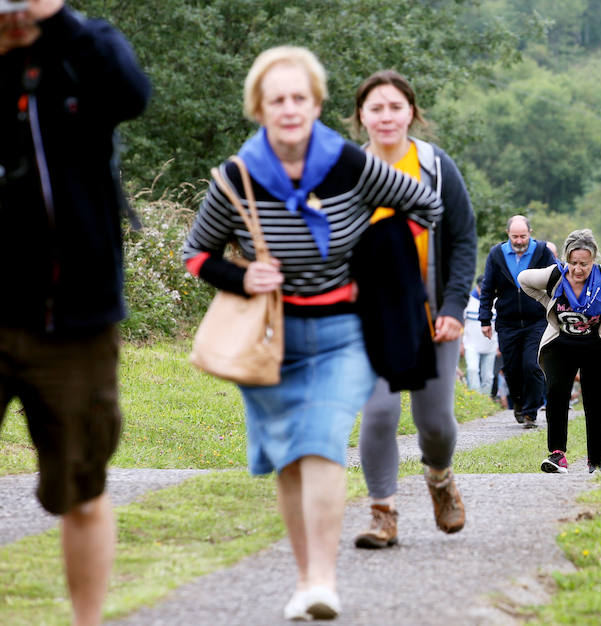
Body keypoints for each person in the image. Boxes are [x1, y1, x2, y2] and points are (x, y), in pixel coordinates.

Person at [182, 48, 442, 621]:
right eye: (277, 99)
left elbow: (425, 204)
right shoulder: (236, 177)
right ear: (259, 109)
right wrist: (243, 275)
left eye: (300, 97)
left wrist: (375, 256)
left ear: (317, 104)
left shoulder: (348, 164)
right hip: (271, 338)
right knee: (291, 459)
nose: (290, 108)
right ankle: (305, 580)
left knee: (322, 441)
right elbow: (196, 254)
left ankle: (323, 581)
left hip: (343, 332)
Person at [0, 2, 151, 624]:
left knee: (82, 489)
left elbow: (132, 94)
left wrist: (56, 19)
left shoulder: (82, 45)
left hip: (73, 320)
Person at [348, 69, 476, 550]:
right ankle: (382, 515)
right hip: (372, 318)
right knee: (379, 413)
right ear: (361, 116)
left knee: (435, 423)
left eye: (395, 107)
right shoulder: (347, 172)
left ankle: (439, 478)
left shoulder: (436, 167)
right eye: (376, 108)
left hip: (431, 315)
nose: (386, 116)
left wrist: (454, 307)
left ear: (411, 113)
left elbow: (463, 238)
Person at [519, 230, 601, 474]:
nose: (577, 269)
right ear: (566, 259)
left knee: (597, 401)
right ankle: (557, 455)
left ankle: (597, 461)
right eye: (573, 263)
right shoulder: (555, 275)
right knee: (556, 393)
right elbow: (523, 279)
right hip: (561, 344)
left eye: (584, 264)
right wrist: (547, 302)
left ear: (593, 260)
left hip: (597, 345)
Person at [479, 215, 556, 428]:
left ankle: (531, 412)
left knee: (532, 365)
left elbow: (557, 279)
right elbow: (487, 288)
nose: (519, 241)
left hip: (536, 320)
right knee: (511, 369)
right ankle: (519, 404)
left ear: (530, 233)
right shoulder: (496, 254)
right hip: (507, 322)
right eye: (515, 237)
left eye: (523, 236)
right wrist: (485, 319)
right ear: (508, 234)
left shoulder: (542, 251)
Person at [464, 275, 497, 395]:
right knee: (472, 370)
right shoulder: (468, 301)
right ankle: (475, 398)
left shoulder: (496, 301)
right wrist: (461, 344)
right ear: (477, 287)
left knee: (488, 376)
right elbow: (461, 323)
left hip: (491, 345)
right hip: (471, 345)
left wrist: (499, 345)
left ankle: (485, 400)